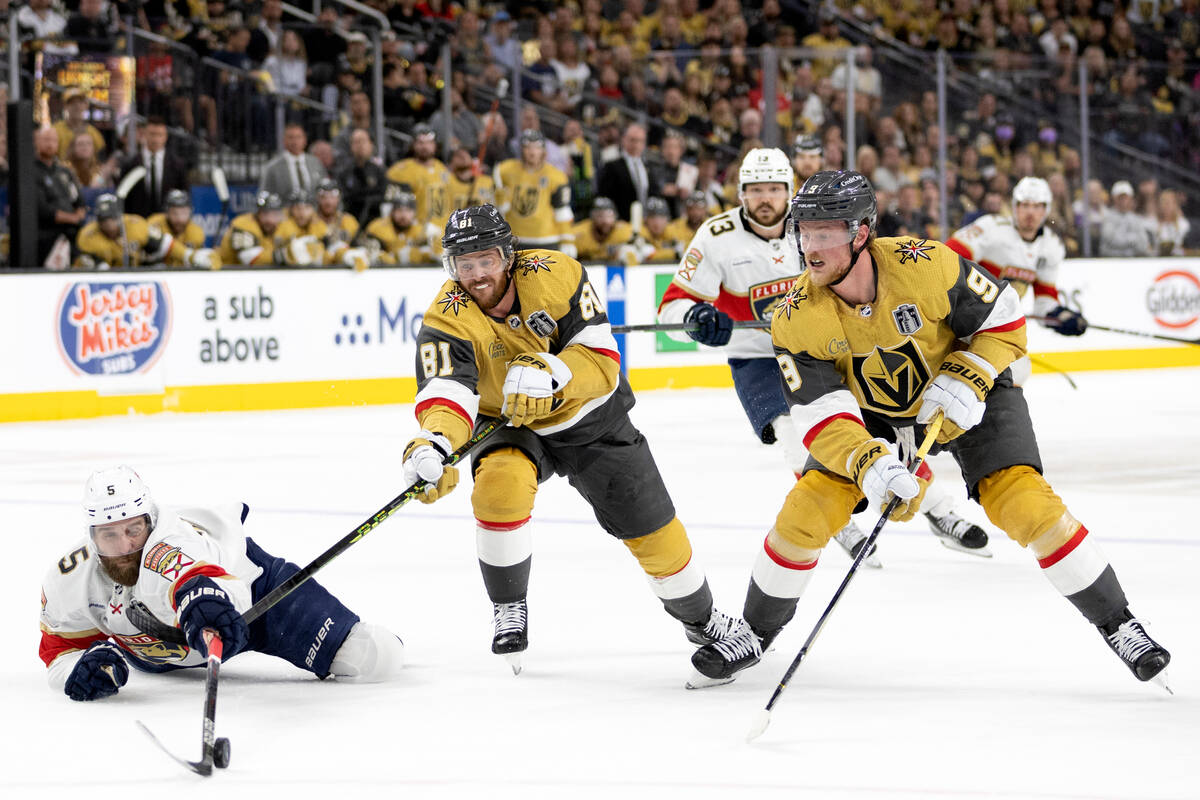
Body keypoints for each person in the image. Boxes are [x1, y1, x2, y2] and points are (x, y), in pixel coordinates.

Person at [689, 171, 1172, 690]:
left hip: (968, 390)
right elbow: (821, 413)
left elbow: (1005, 319)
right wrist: (868, 464)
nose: (810, 247)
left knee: (1026, 504)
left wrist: (972, 373)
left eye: (825, 233)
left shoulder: (926, 263)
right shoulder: (795, 316)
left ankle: (1121, 624)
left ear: (860, 234)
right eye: (803, 232)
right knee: (808, 507)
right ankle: (756, 633)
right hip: (871, 414)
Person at [402, 204, 742, 676]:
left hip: (591, 418)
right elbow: (448, 391)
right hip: (509, 422)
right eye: (465, 264)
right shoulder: (447, 316)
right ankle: (508, 606)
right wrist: (433, 443)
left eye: (486, 260)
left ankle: (703, 619)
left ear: (507, 255)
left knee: (652, 530)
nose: (477, 276)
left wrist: (554, 370)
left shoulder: (558, 274)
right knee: (498, 486)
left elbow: (602, 359)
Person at [658, 149, 990, 562]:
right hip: (759, 358)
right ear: (741, 194)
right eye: (756, 189)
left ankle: (939, 510)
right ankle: (841, 522)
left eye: (776, 189)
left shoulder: (817, 226)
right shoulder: (715, 235)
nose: (766, 198)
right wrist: (698, 316)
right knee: (794, 434)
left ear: (789, 191)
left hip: (829, 347)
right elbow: (671, 306)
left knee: (877, 435)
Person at [39, 465, 404, 701]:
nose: (125, 547)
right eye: (109, 536)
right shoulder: (70, 579)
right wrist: (79, 671)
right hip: (168, 651)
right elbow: (57, 649)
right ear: (91, 537)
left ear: (149, 522)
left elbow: (197, 578)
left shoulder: (171, 544)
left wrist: (204, 602)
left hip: (254, 599)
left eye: (133, 530)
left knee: (377, 657)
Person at [947, 176, 1087, 385]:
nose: (1030, 212)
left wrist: (1062, 317)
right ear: (1015, 207)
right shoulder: (991, 229)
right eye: (1025, 205)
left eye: (1037, 206)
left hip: (999, 326)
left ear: (1046, 210)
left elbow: (1044, 301)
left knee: (1019, 369)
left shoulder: (1051, 246)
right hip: (963, 320)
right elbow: (947, 258)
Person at [493, 129, 575, 255]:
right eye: (528, 147)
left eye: (536, 147)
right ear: (521, 149)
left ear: (543, 150)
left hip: (547, 239)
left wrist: (567, 239)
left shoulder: (556, 176)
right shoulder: (504, 170)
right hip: (515, 238)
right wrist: (499, 201)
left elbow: (562, 211)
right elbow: (494, 204)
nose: (532, 152)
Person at [75, 193, 204, 269]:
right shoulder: (87, 236)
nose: (108, 223)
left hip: (136, 277)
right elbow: (96, 270)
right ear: (97, 220)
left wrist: (190, 255)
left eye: (112, 218)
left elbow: (166, 244)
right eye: (103, 219)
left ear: (120, 216)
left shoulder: (135, 225)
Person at [34, 126, 87, 267]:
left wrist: (79, 215)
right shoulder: (32, 171)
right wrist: (71, 218)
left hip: (72, 231)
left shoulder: (64, 172)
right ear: (36, 142)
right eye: (46, 139)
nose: (50, 144)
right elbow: (42, 209)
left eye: (54, 140)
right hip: (46, 234)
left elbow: (79, 201)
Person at [117, 117, 189, 219]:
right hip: (137, 223)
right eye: (152, 134)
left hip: (168, 223)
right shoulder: (130, 164)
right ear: (144, 135)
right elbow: (123, 196)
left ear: (166, 137)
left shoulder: (178, 165)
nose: (155, 139)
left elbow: (184, 195)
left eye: (160, 135)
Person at [385, 124, 450, 231]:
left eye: (429, 143)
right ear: (413, 145)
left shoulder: (443, 169)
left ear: (435, 145)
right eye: (420, 143)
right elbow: (389, 206)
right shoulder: (399, 171)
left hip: (443, 230)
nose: (425, 147)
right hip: (414, 230)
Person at [361, 183, 438, 266]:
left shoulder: (422, 230)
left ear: (414, 213)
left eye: (408, 211)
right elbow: (368, 254)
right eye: (399, 210)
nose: (403, 215)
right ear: (392, 212)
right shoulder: (378, 227)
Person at [147, 189, 217, 268]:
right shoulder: (155, 222)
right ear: (166, 213)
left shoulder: (196, 232)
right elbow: (161, 244)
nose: (179, 219)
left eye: (184, 213)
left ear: (190, 212)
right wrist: (189, 256)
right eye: (174, 213)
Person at [217, 190, 287, 267]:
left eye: (275, 215)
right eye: (265, 213)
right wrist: (285, 255)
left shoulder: (281, 226)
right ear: (257, 213)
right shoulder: (243, 225)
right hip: (226, 275)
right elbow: (248, 258)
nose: (270, 219)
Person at [260, 123, 329, 201]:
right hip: (285, 211)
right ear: (284, 141)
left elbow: (326, 188)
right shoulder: (273, 167)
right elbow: (265, 194)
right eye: (290, 137)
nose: (295, 141)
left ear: (305, 140)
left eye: (298, 137)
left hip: (313, 211)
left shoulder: (316, 163)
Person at [571, 196, 636, 262]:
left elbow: (642, 235)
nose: (606, 221)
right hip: (585, 269)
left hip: (613, 269)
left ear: (615, 217)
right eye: (600, 216)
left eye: (609, 216)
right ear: (592, 217)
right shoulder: (580, 233)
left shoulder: (623, 230)